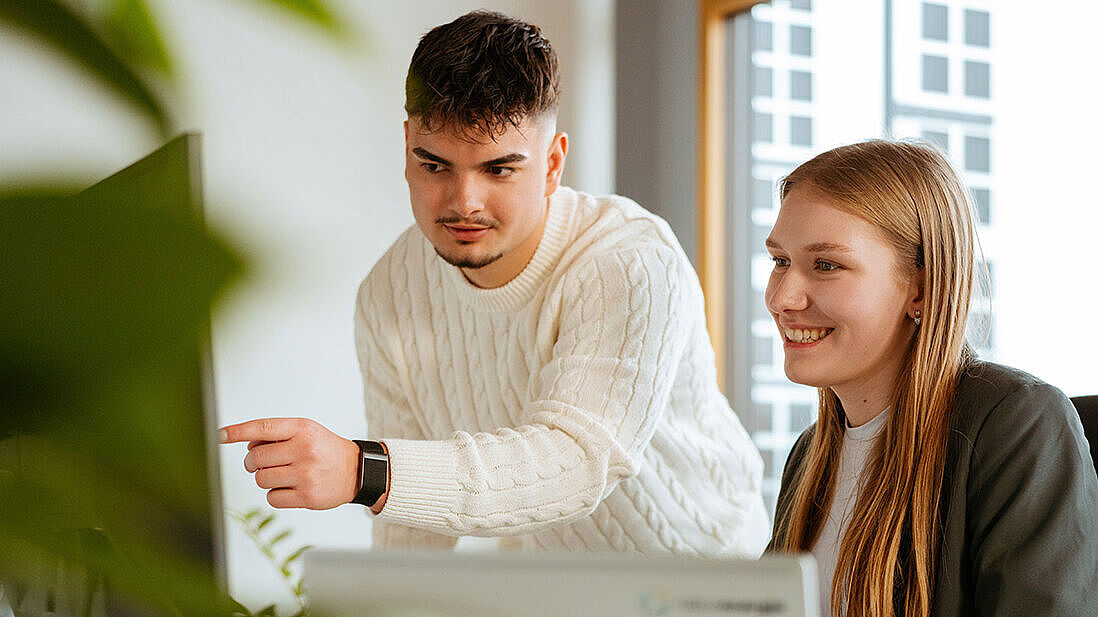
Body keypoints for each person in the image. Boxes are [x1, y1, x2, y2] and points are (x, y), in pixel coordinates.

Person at [220, 10, 769, 557]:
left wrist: (362, 470)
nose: (464, 202)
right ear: (407, 146)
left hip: (709, 571)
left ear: (553, 165)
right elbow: (412, 531)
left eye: (499, 169)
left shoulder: (629, 261)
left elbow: (578, 460)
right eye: (434, 166)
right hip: (551, 586)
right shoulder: (390, 292)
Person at [764, 139, 1098, 616]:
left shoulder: (1016, 424)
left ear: (920, 289)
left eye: (827, 265)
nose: (783, 297)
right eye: (780, 261)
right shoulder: (810, 456)